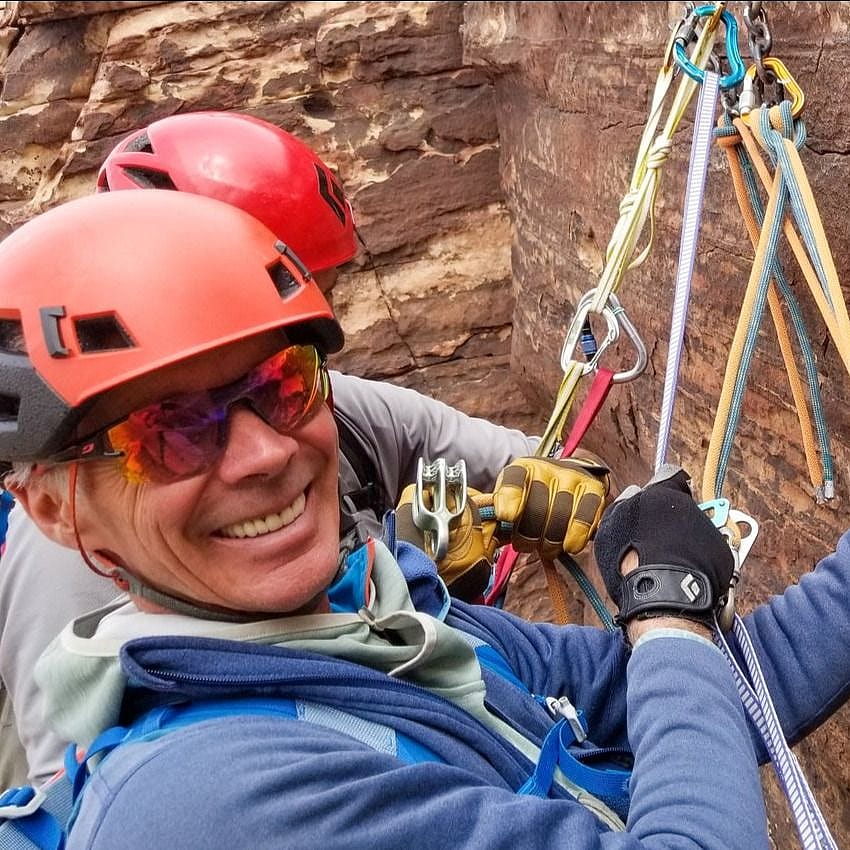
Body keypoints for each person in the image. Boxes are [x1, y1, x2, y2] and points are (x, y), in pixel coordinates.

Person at [0, 190, 776, 849]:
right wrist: (670, 613)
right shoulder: (215, 801)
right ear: (52, 508)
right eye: (168, 431)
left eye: (282, 382)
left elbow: (669, 680)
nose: (264, 452)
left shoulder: (376, 610)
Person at [0, 111, 542, 786]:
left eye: (285, 363)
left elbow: (507, 455)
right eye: (173, 429)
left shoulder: (329, 406)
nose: (266, 450)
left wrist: (539, 495)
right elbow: (68, 781)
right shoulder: (77, 548)